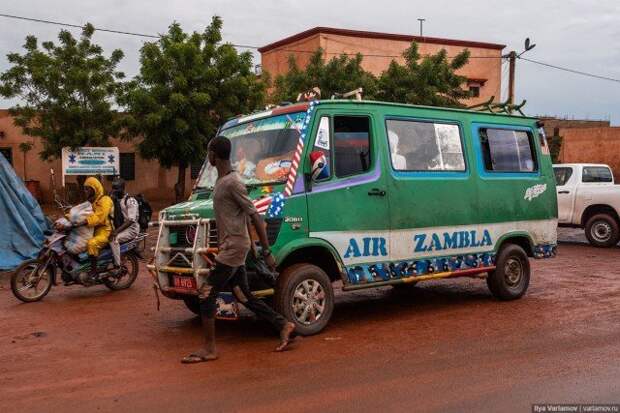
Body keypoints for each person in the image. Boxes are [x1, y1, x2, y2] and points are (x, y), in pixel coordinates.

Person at [182, 136, 297, 364]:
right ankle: (284, 324)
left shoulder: (232, 182)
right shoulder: (223, 181)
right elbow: (242, 214)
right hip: (234, 246)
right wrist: (251, 248)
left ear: (214, 154)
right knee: (243, 295)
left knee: (206, 294)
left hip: (233, 249)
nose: (208, 156)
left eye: (208, 152)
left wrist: (265, 250)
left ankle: (209, 349)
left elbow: (254, 214)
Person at [55, 177, 113, 279]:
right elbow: (78, 213)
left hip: (104, 229)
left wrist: (83, 222)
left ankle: (94, 271)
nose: (86, 191)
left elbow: (99, 217)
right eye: (85, 189)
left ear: (95, 188)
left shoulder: (105, 200)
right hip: (92, 228)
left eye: (88, 189)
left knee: (91, 243)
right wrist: (65, 219)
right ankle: (76, 268)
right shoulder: (90, 201)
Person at [109, 177, 140, 269]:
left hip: (131, 229)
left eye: (116, 188)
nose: (114, 190)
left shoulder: (130, 201)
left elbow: (131, 220)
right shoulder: (115, 199)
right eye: (113, 188)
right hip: (120, 227)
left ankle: (117, 265)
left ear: (122, 188)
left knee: (113, 239)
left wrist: (116, 231)